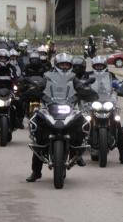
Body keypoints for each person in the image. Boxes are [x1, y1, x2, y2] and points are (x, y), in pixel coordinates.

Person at [26, 53, 85, 182]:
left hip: (68, 106)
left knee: (82, 122)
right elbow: (40, 87)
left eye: (67, 64)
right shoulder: (47, 76)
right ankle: (36, 172)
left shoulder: (73, 77)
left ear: (70, 66)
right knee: (39, 136)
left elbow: (80, 88)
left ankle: (77, 152)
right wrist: (36, 91)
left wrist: (82, 93)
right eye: (62, 64)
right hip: (50, 106)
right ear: (56, 65)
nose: (64, 67)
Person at [89, 56, 123, 164]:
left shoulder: (110, 75)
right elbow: (82, 84)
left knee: (117, 123)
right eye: (97, 66)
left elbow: (118, 83)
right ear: (93, 66)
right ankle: (77, 153)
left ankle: (122, 152)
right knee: (83, 123)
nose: (99, 68)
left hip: (108, 103)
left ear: (105, 66)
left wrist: (121, 86)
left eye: (101, 66)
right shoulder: (89, 75)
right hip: (93, 103)